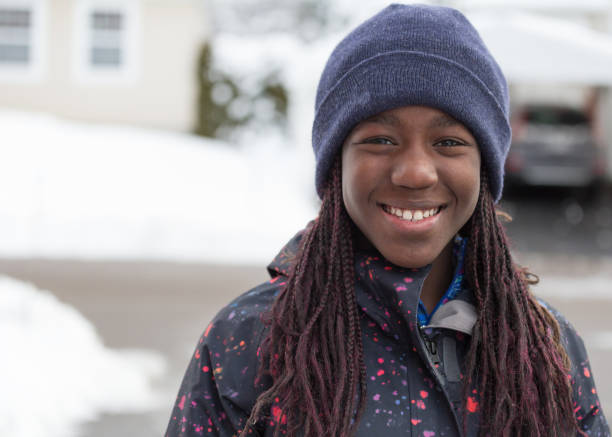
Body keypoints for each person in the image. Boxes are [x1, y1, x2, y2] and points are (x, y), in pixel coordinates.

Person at [165, 4, 609, 437]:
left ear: (485, 168)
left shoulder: (545, 347)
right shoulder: (247, 339)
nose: (415, 172)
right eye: (379, 139)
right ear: (337, 163)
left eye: (449, 141)